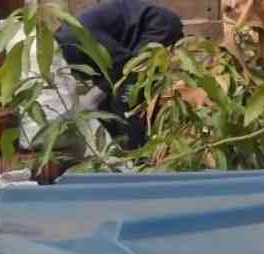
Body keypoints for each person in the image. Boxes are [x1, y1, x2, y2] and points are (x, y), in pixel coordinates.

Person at [56, 0, 184, 147]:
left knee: (124, 101)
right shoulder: (63, 48)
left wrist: (97, 91)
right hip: (131, 42)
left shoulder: (75, 38)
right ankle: (120, 152)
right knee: (103, 106)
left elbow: (123, 62)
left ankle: (137, 160)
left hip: (157, 28)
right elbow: (105, 70)